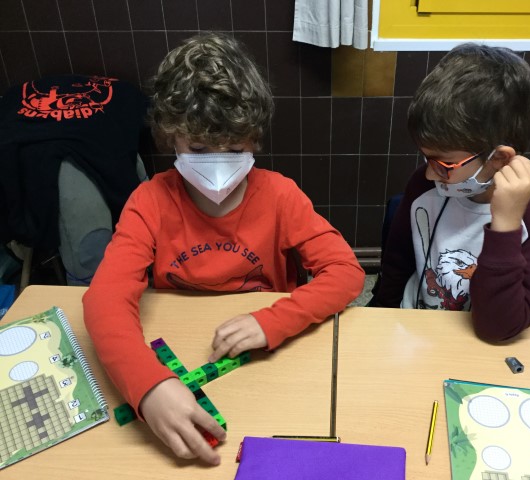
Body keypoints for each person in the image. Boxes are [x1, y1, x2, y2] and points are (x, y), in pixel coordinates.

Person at [83, 32, 364, 466]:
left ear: (255, 139)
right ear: (170, 138)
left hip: (269, 358)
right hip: (183, 343)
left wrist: (274, 320)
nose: (215, 165)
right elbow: (104, 299)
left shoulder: (280, 196)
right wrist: (148, 386)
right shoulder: (150, 201)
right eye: (198, 149)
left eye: (233, 150)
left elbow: (346, 273)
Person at [370, 43, 530, 342]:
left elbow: (497, 328)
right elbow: (397, 269)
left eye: (444, 164)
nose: (429, 174)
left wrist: (505, 226)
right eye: (427, 158)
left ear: (499, 158)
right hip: (418, 325)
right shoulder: (425, 184)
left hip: (491, 335)